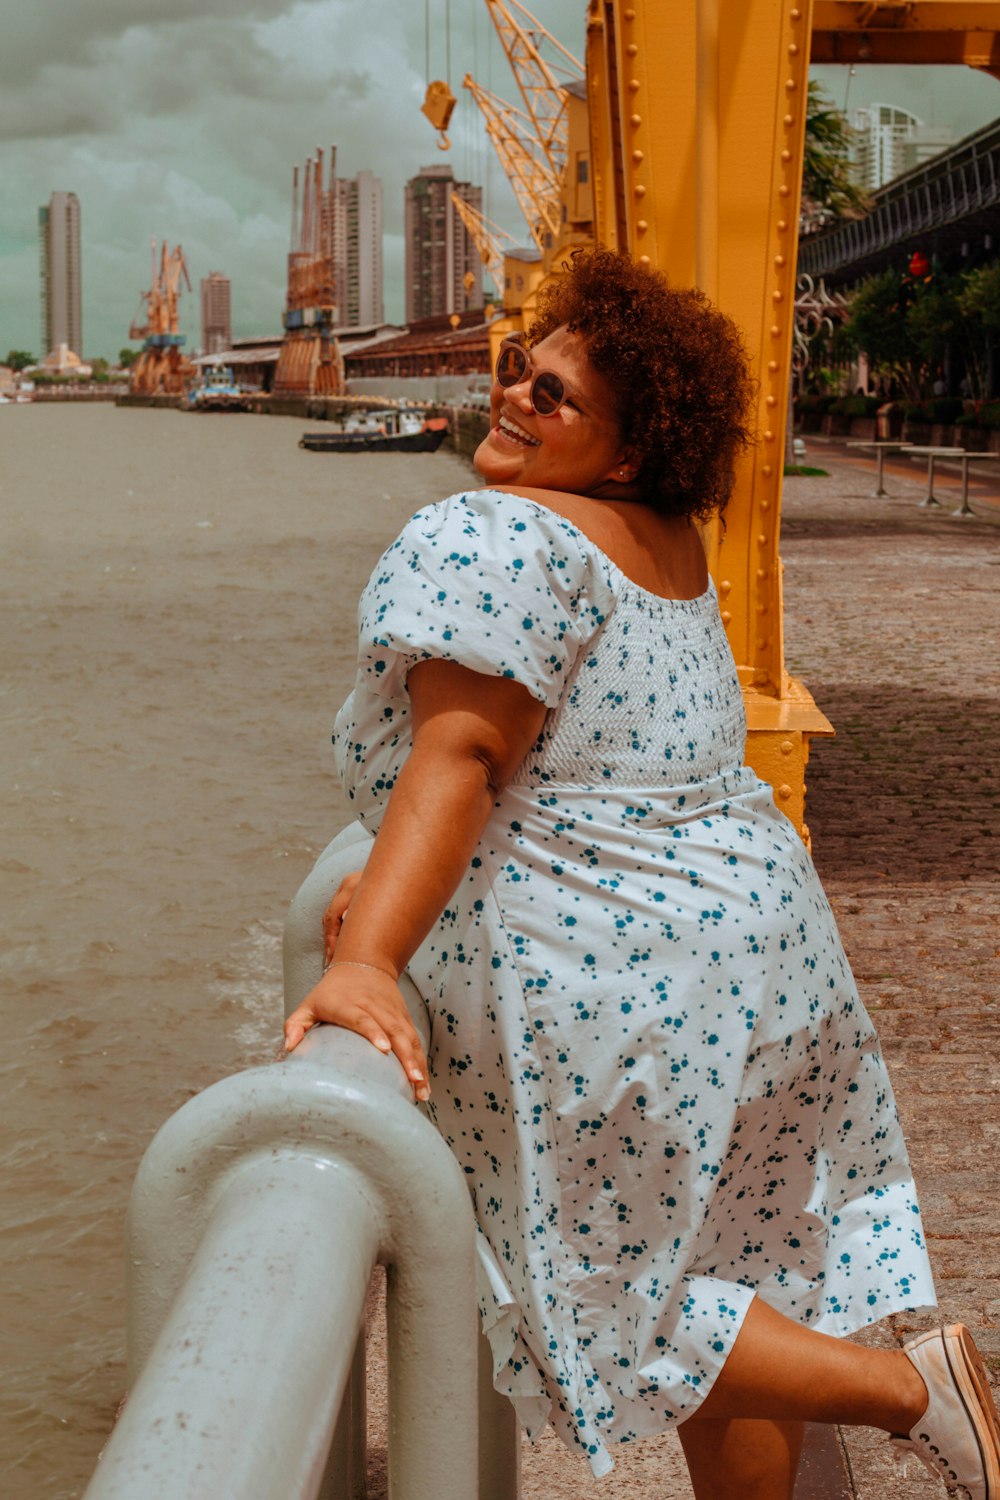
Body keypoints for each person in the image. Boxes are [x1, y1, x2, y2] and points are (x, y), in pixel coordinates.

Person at [285, 248, 999, 1499]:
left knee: (608, 1321)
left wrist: (364, 959)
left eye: (552, 395)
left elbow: (459, 761)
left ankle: (909, 1392)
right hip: (763, 967)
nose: (512, 396)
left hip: (609, 987)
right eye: (519, 370)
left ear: (626, 446)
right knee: (733, 1279)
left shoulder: (499, 535)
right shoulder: (664, 544)